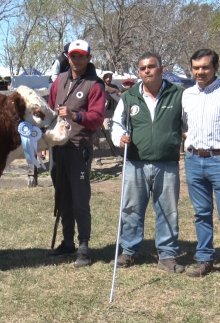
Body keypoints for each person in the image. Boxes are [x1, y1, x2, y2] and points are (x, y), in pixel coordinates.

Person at [111, 52, 184, 273]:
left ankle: (167, 254)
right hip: (135, 163)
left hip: (167, 163)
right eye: (142, 68)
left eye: (151, 67)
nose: (147, 71)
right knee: (131, 209)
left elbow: (189, 124)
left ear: (161, 69)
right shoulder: (129, 96)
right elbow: (117, 124)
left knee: (168, 210)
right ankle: (129, 251)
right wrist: (120, 138)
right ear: (138, 72)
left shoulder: (178, 94)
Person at [47, 39, 105, 267]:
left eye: (82, 56)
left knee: (80, 199)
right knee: (62, 197)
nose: (77, 60)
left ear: (89, 58)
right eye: (74, 56)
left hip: (78, 148)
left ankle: (84, 246)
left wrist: (75, 116)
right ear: (67, 57)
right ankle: (67, 241)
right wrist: (44, 142)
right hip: (58, 148)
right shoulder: (59, 81)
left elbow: (98, 118)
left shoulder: (95, 85)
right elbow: (50, 113)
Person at [182, 48, 220, 277]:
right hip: (194, 159)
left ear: (215, 67)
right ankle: (205, 258)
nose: (200, 72)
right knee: (201, 213)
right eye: (196, 68)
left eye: (205, 67)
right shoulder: (187, 95)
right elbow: (183, 125)